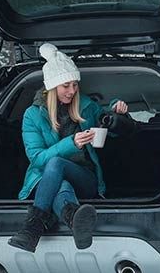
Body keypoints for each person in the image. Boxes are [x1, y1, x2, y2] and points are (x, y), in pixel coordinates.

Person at [8, 43, 129, 253]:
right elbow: (37, 159)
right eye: (66, 86)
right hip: (44, 179)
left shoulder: (85, 105)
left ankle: (32, 228)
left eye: (74, 85)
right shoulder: (32, 115)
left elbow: (107, 121)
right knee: (59, 178)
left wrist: (117, 109)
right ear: (52, 87)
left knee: (58, 166)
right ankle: (74, 218)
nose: (72, 91)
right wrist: (71, 144)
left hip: (85, 178)